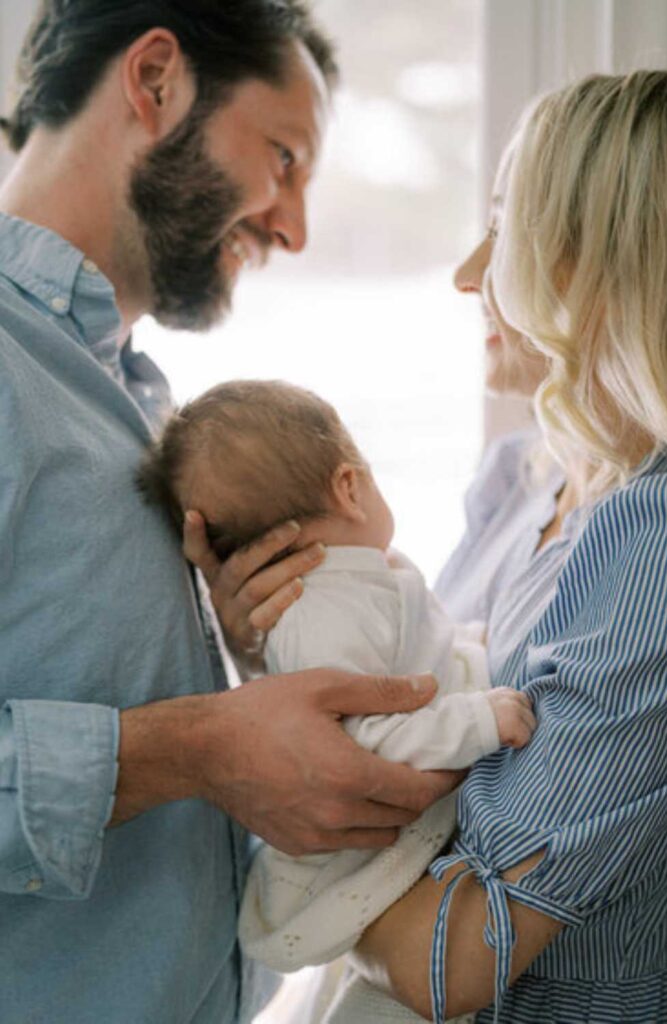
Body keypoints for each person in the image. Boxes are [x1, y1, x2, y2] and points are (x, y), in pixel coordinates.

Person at [0, 3, 456, 1022]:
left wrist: (254, 661)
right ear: (156, 80)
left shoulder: (143, 406)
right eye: (283, 157)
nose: (292, 227)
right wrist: (195, 746)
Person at [208, 70, 667, 1024]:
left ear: (597, 265)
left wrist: (305, 893)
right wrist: (277, 646)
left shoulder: (659, 544)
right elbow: (410, 684)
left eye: (506, 231)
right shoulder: (522, 475)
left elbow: (453, 955)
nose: (469, 271)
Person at [136, 377, 536, 978]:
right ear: (350, 486)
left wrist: (470, 651)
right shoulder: (325, 611)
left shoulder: (362, 575)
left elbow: (417, 653)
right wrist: (479, 718)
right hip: (352, 862)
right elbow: (355, 750)